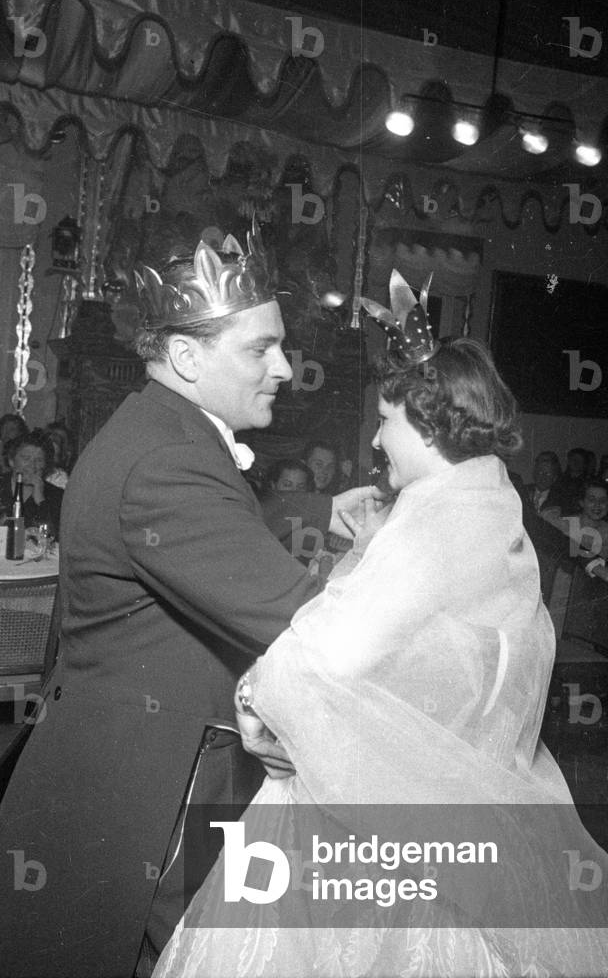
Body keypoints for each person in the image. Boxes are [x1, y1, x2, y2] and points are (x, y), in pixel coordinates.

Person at [154, 273, 608, 978]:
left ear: (425, 425)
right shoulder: (491, 499)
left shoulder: (434, 517)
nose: (375, 439)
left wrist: (257, 698)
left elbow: (334, 652)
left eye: (385, 420)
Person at [0, 230, 380, 978]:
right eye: (260, 348)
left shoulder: (157, 427)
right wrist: (415, 579)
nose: (284, 368)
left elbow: (202, 531)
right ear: (186, 356)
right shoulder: (170, 459)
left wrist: (316, 512)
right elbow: (308, 623)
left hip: (127, 753)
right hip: (155, 786)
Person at [0, 429, 63, 539]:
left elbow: (54, 537)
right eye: (26, 458)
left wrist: (41, 501)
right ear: (11, 461)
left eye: (39, 460)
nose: (32, 466)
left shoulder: (56, 495)